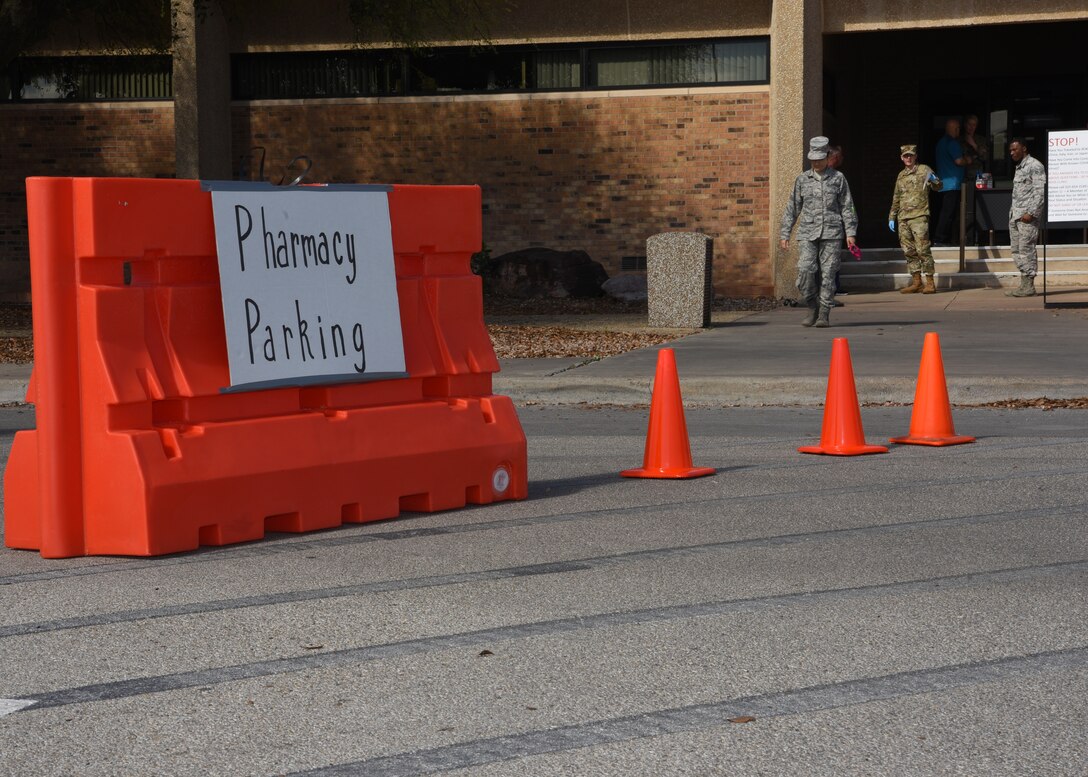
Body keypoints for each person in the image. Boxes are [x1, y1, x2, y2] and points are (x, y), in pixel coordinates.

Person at [779, 136, 858, 328]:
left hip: (832, 233)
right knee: (805, 271)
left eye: (819, 158)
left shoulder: (838, 179)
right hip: (807, 232)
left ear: (827, 156)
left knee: (828, 274)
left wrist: (850, 232)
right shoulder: (802, 179)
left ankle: (824, 313)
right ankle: (812, 305)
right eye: (812, 159)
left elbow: (847, 206)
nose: (815, 162)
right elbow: (792, 207)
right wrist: (785, 233)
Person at [888, 144, 943, 294]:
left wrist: (934, 180)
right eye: (906, 156)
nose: (908, 158)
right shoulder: (901, 175)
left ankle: (930, 282)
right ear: (901, 158)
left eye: (911, 155)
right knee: (909, 251)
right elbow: (896, 197)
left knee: (922, 249)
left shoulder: (924, 169)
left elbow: (939, 186)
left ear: (915, 156)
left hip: (919, 216)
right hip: (903, 218)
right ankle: (917, 281)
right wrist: (892, 216)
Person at [1005, 137, 1046, 297]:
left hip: (1027, 217)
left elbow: (1040, 193)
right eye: (1010, 150)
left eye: (1015, 149)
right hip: (1016, 216)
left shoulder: (1034, 166)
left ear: (1024, 149)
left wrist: (1031, 213)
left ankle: (1029, 285)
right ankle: (1024, 284)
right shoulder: (1020, 167)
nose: (1012, 153)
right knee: (1016, 250)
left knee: (1026, 249)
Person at [933, 118, 967, 246]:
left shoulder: (940, 143)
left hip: (943, 184)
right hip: (952, 184)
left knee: (946, 213)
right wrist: (968, 160)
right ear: (951, 129)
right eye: (957, 128)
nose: (959, 130)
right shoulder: (952, 143)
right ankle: (939, 239)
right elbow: (959, 161)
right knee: (948, 214)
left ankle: (943, 239)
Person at [962, 114, 989, 243]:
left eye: (974, 125)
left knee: (978, 209)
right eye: (969, 124)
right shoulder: (958, 139)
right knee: (965, 210)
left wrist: (974, 144)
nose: (971, 127)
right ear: (965, 124)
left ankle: (978, 239)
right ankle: (965, 238)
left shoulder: (980, 139)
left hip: (978, 178)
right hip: (963, 179)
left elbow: (984, 157)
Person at [825, 144, 847, 307]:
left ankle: (834, 288)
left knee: (833, 260)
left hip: (834, 226)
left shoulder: (838, 177)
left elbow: (847, 204)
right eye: (838, 157)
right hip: (820, 226)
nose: (841, 159)